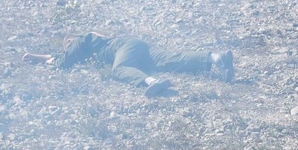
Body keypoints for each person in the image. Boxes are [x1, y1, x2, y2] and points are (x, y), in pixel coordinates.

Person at [23, 32, 234, 97]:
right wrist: (39, 57)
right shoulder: (94, 42)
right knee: (170, 58)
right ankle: (216, 58)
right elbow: (61, 59)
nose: (67, 49)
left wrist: (37, 58)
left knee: (119, 69)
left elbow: (63, 62)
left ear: (69, 42)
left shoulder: (80, 40)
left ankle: (152, 82)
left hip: (125, 49)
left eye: (66, 46)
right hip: (135, 46)